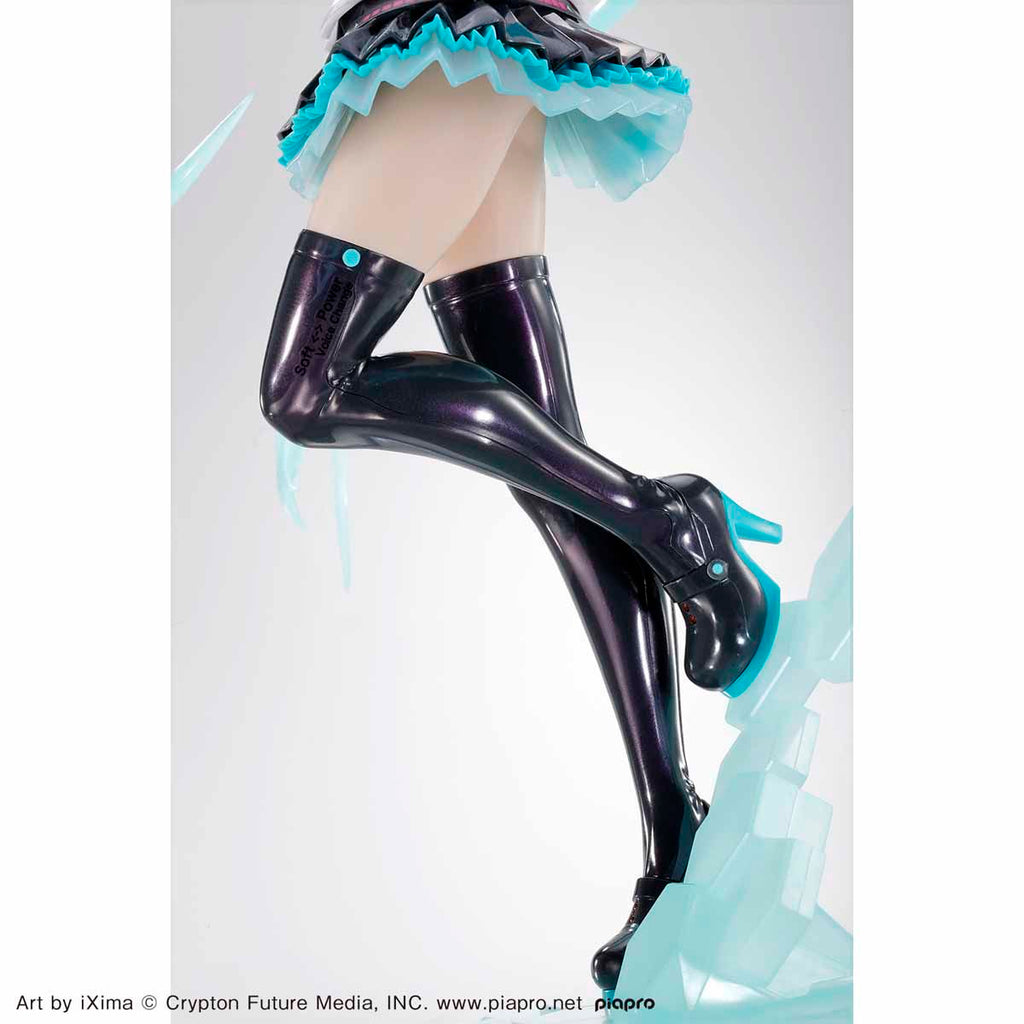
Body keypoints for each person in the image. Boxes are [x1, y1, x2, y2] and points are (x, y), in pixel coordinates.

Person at [260, 0, 782, 993]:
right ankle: (675, 836)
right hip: (453, 38)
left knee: (305, 388)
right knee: (559, 490)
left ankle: (670, 520)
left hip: (443, 36)